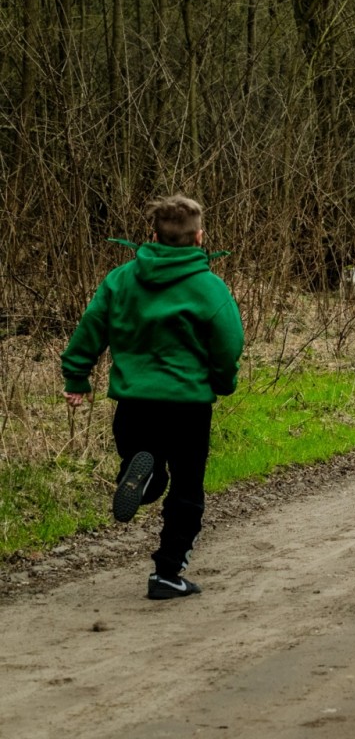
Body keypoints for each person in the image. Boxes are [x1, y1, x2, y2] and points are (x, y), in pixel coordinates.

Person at [61, 195, 245, 599]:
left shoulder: (121, 279)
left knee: (146, 463)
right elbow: (228, 344)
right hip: (187, 408)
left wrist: (77, 376)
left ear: (153, 235)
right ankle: (166, 573)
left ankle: (144, 480)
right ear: (200, 237)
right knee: (187, 489)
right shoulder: (209, 288)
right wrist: (222, 381)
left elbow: (93, 324)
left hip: (134, 405)